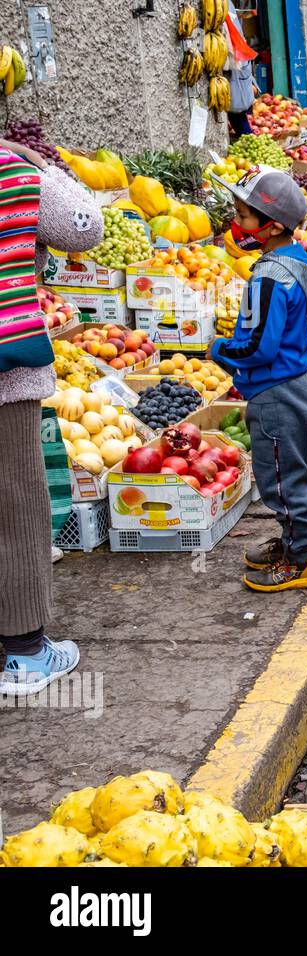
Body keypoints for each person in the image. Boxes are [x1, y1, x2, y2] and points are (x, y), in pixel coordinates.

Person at [0, 140, 102, 696]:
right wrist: (42, 166)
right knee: (15, 504)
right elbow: (85, 226)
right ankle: (26, 654)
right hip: (4, 370)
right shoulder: (11, 170)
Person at [209, 169, 307, 591]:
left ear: (271, 226)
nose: (236, 224)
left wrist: (218, 349)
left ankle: (301, 562)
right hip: (294, 383)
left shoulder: (267, 278)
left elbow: (257, 346)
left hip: (274, 392)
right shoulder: (295, 263)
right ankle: (293, 542)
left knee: (280, 479)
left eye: (242, 216)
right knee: (287, 471)